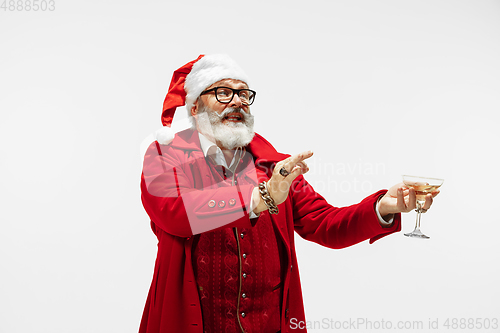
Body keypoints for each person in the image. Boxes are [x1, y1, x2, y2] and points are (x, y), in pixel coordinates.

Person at [138, 54, 438, 333]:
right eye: (223, 93)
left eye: (244, 94)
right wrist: (260, 197)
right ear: (194, 107)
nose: (238, 102)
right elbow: (176, 213)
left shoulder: (275, 167)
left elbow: (326, 224)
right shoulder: (165, 157)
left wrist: (382, 208)